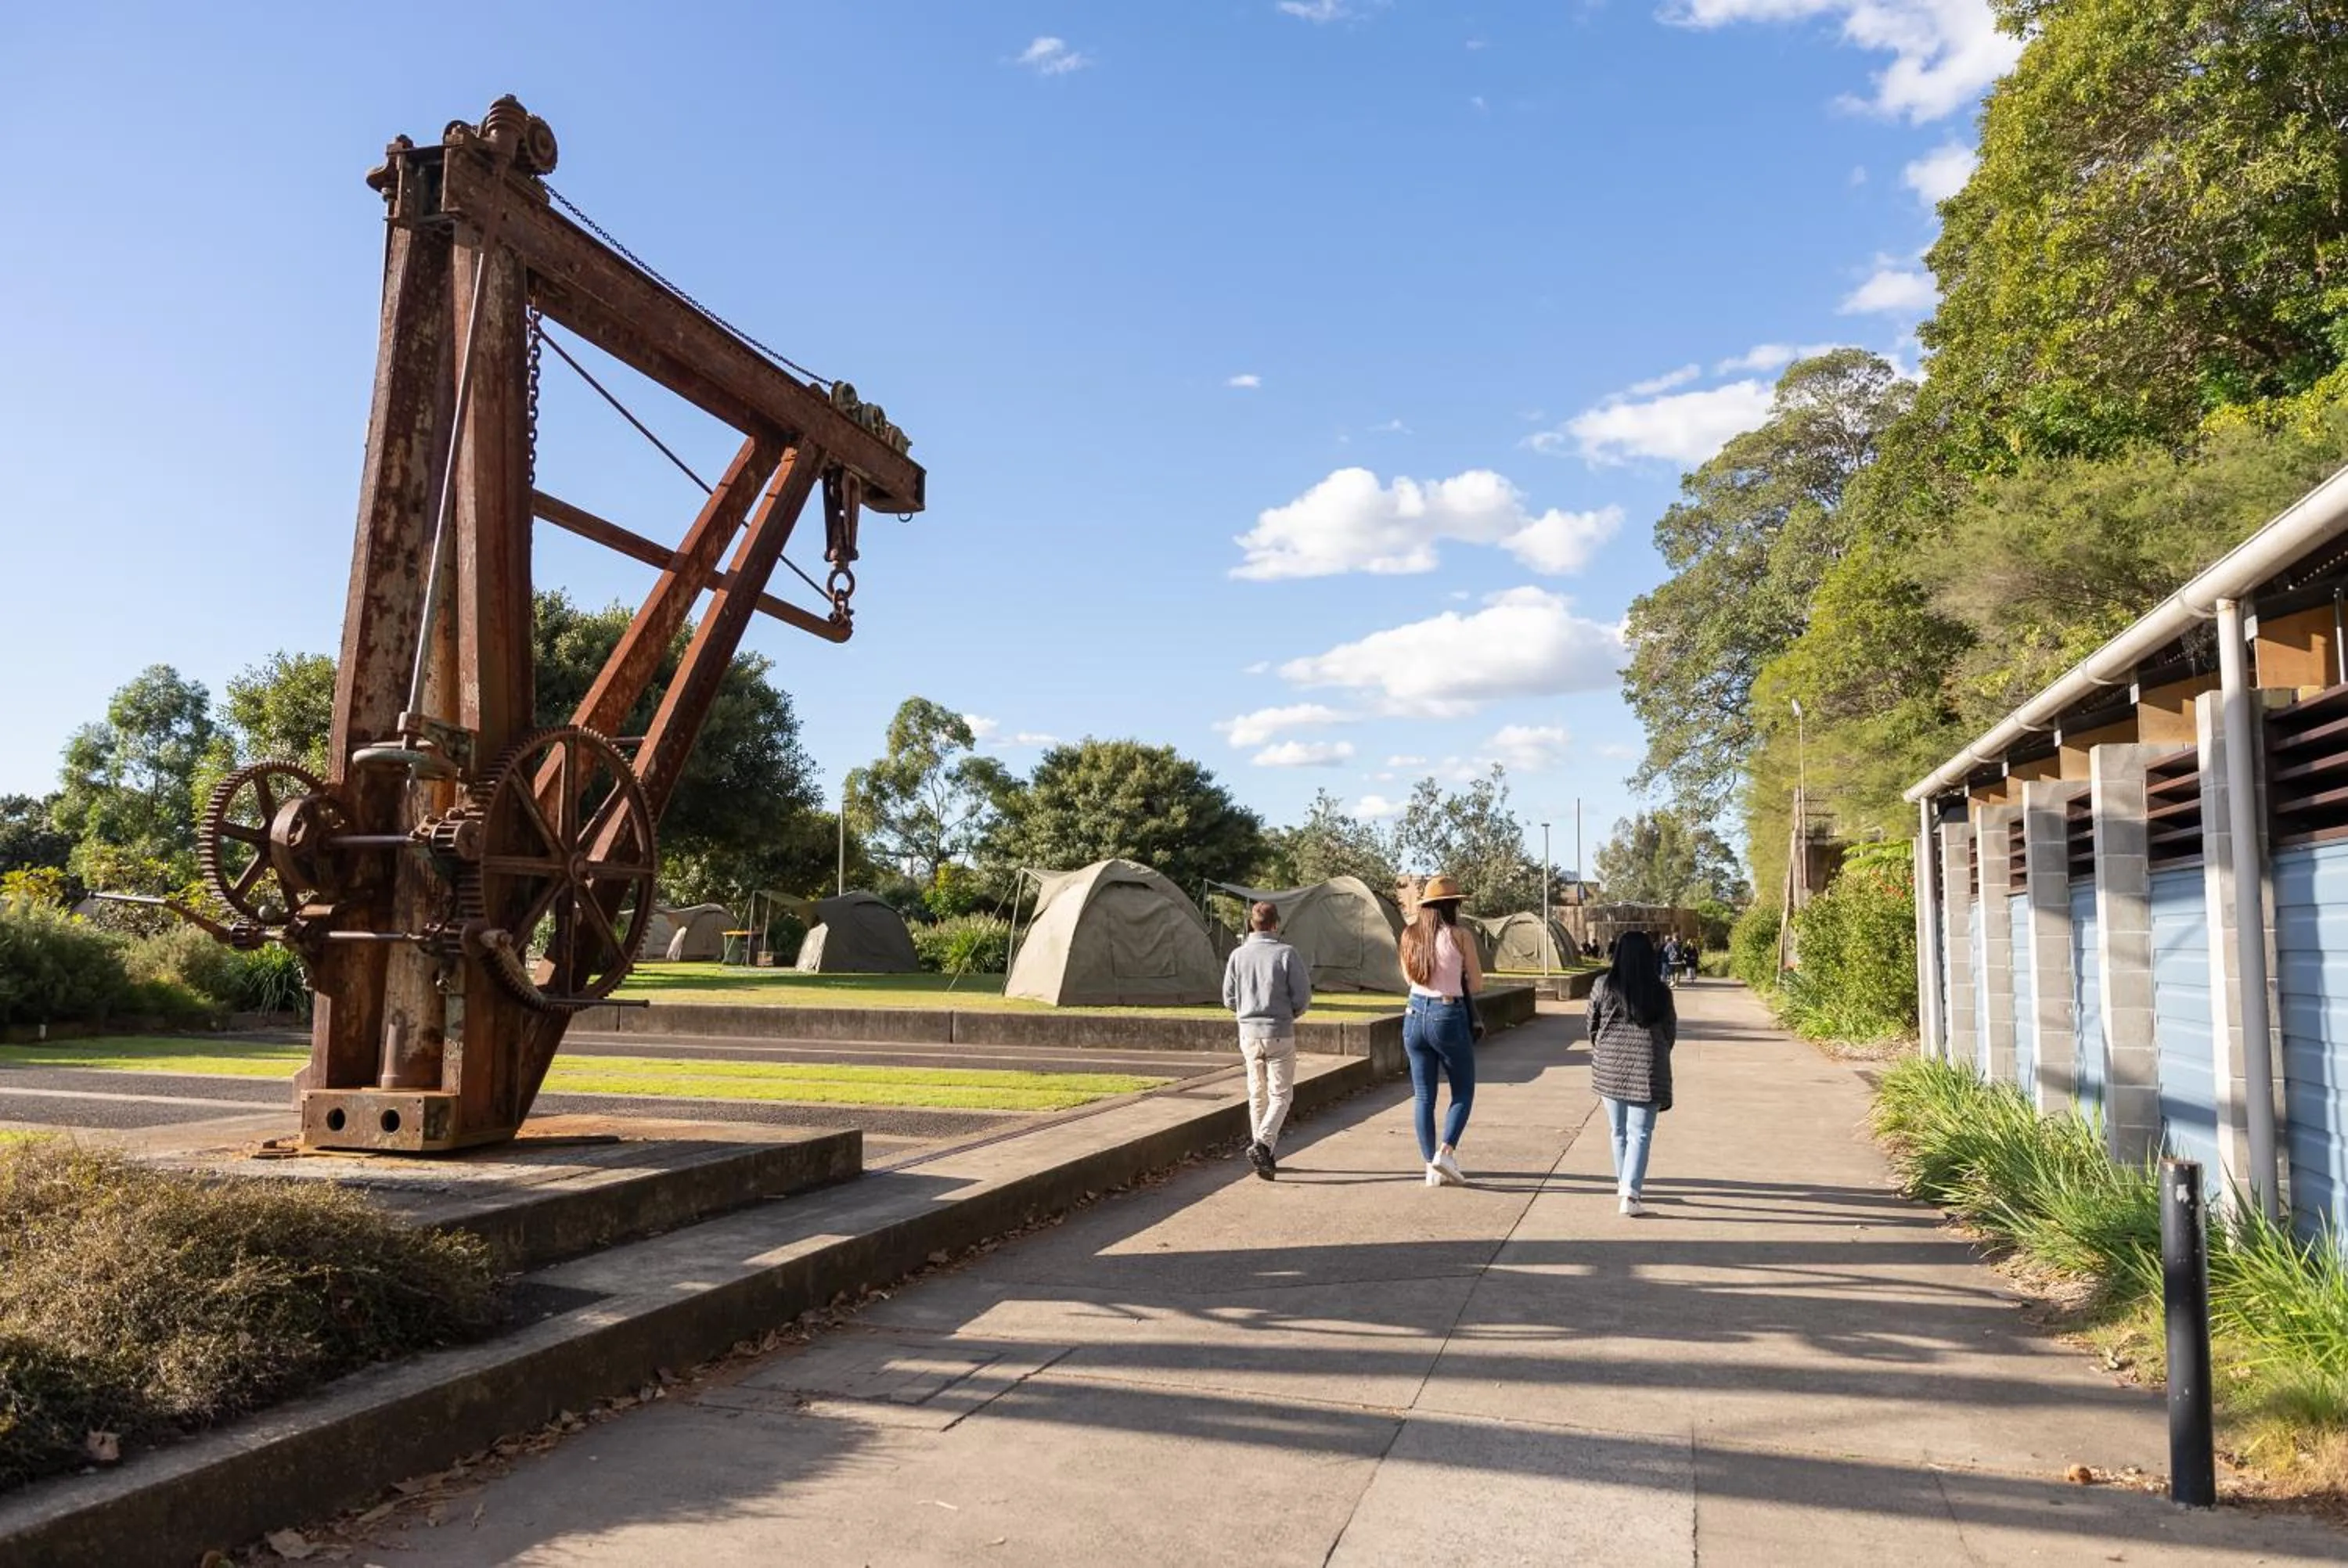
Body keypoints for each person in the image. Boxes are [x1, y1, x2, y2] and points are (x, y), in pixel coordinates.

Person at [1399, 873, 1483, 1187]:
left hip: (1413, 1012)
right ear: (1452, 906)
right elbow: (1476, 983)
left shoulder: (1409, 935)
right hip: (1447, 1013)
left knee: (1423, 1095)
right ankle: (1445, 1152)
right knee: (1462, 1090)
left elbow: (1408, 978)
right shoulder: (1460, 936)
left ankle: (1428, 1166)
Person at [1222, 899, 1313, 1180]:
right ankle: (1263, 1143)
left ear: (1252, 924)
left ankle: (1264, 1153)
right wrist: (1290, 1014)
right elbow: (1302, 997)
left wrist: (1246, 1013)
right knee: (1282, 1095)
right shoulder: (1286, 954)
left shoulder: (1238, 955)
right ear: (1275, 925)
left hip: (1248, 1033)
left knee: (1256, 1093)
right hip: (1279, 1031)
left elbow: (1228, 998)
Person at [1587, 929, 1676, 1216]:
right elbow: (1669, 1034)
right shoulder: (1661, 992)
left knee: (1618, 1132)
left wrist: (1602, 1049)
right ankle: (1630, 1192)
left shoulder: (1603, 985)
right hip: (1647, 1068)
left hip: (1609, 1067)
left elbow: (1592, 1025)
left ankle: (1624, 1185)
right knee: (1640, 1133)